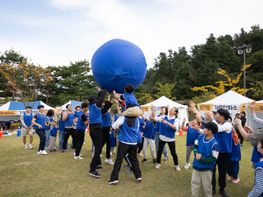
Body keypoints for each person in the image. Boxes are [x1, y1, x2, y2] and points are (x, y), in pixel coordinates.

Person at [109, 116, 142, 185]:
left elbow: (114, 126)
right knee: (134, 159)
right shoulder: (137, 119)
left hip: (124, 142)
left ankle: (114, 178)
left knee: (119, 159)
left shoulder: (123, 118)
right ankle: (138, 176)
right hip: (133, 142)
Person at [191, 122, 219, 197]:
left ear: (210, 131)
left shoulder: (215, 144)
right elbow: (195, 146)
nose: (203, 129)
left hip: (206, 169)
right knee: (194, 184)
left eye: (205, 128)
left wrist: (202, 159)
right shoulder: (200, 137)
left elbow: (213, 158)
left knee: (207, 187)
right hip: (196, 166)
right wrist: (196, 153)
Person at [88, 89, 110, 178]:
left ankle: (97, 164)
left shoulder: (93, 106)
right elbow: (101, 97)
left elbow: (104, 110)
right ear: (95, 100)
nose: (98, 100)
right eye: (96, 99)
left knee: (98, 147)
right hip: (96, 129)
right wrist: (103, 88)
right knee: (98, 149)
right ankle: (92, 169)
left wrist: (109, 102)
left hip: (93, 128)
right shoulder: (96, 105)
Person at [212, 109, 233, 197]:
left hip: (224, 153)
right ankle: (212, 187)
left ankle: (222, 189)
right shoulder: (218, 123)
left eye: (217, 114)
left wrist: (212, 118)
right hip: (215, 151)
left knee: (222, 171)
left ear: (222, 116)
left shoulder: (228, 125)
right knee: (212, 170)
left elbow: (217, 129)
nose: (216, 115)